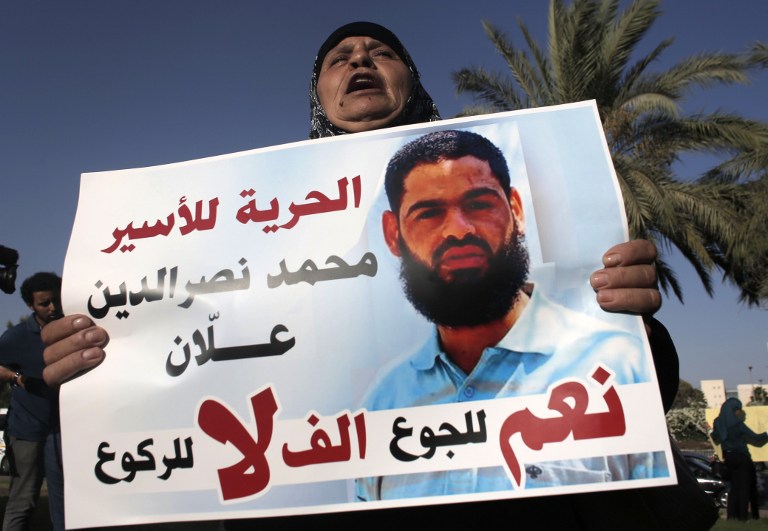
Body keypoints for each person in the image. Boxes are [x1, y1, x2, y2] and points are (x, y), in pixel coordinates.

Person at [40, 21, 714, 530]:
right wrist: (102, 371)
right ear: (395, 232)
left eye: (380, 52)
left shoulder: (517, 186)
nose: (359, 59)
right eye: (339, 58)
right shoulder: (240, 229)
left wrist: (630, 316)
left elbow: (622, 400)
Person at [356, 129, 663, 500]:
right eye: (429, 213)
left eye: (479, 204)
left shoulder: (618, 362)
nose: (458, 230)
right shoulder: (383, 403)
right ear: (393, 234)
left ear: (515, 210)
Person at [0, 272, 65, 531]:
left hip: (61, 430)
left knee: (63, 501)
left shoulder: (71, 328)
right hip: (26, 430)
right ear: (30, 305)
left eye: (56, 300)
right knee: (23, 501)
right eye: (44, 303)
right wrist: (17, 377)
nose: (53, 308)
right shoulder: (16, 337)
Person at [711, 397, 768, 520]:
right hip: (742, 458)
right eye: (738, 410)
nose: (739, 412)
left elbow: (715, 437)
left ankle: (731, 516)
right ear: (734, 409)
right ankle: (743, 517)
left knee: (733, 488)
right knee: (744, 489)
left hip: (729, 458)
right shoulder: (737, 424)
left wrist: (710, 429)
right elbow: (756, 438)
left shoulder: (718, 422)